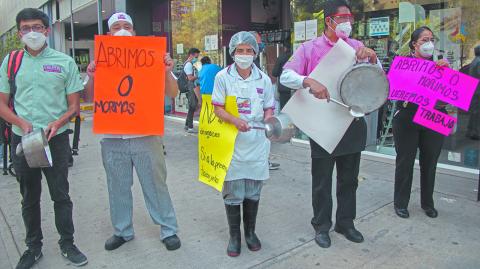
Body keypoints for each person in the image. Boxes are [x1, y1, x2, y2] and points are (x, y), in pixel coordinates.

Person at [280, 0, 380, 248]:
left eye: (350, 18)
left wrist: (373, 58)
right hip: (323, 123)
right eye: (343, 17)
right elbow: (285, 75)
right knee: (322, 180)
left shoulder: (357, 47)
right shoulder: (309, 48)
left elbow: (377, 78)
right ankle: (321, 226)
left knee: (350, 179)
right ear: (329, 21)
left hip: (351, 120)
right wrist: (308, 81)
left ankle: (346, 223)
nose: (348, 22)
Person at [84, 12, 181, 252]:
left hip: (146, 136)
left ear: (134, 32)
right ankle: (122, 230)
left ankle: (168, 229)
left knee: (156, 185)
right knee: (117, 187)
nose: (122, 29)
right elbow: (89, 98)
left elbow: (173, 93)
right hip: (113, 138)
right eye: (116, 26)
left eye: (127, 25)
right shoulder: (101, 62)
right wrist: (91, 76)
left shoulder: (152, 57)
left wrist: (166, 71)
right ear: (108, 34)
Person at [0, 8, 87, 268]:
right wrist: (20, 122)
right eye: (26, 28)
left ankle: (67, 243)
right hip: (22, 139)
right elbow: (2, 103)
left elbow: (74, 106)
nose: (32, 33)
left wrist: (58, 122)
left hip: (56, 139)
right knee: (29, 197)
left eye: (37, 27)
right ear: (19, 33)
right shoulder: (11, 62)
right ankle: (33, 247)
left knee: (60, 195)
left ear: (47, 30)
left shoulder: (64, 62)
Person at [212, 31, 274, 257]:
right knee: (234, 191)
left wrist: (268, 120)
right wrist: (235, 121)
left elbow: (269, 106)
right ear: (232, 53)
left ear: (255, 53)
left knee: (253, 191)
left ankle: (250, 233)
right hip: (232, 141)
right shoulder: (223, 77)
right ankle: (234, 236)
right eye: (240, 51)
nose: (245, 55)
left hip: (257, 142)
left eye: (249, 51)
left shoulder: (264, 79)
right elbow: (217, 108)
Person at [392, 26, 450, 219]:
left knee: (430, 162)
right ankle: (400, 203)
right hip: (407, 118)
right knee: (405, 162)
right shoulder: (404, 64)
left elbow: (448, 95)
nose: (429, 44)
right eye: (424, 40)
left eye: (431, 39)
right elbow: (394, 86)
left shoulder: (439, 66)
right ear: (414, 44)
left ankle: (428, 203)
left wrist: (445, 73)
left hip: (432, 117)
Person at [272, 43, 293, 109]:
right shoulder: (296, 56)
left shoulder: (281, 57)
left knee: (284, 109)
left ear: (285, 48)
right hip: (296, 87)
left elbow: (274, 73)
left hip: (284, 88)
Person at [184, 48, 200, 133]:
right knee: (192, 106)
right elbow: (190, 78)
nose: (196, 58)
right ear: (191, 55)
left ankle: (187, 125)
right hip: (191, 87)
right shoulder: (188, 65)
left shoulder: (190, 63)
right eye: (196, 56)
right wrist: (199, 76)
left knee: (191, 106)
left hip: (191, 87)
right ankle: (190, 127)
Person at [466, 46, 480, 140]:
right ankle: (474, 133)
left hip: (474, 89)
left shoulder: (475, 60)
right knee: (476, 113)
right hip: (478, 91)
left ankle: (470, 130)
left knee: (474, 112)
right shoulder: (479, 61)